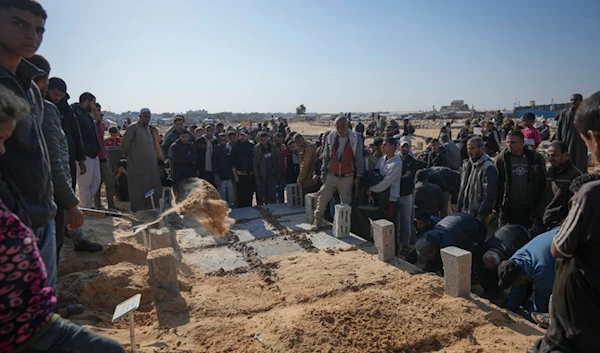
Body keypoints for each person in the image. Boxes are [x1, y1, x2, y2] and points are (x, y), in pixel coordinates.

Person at [530, 91, 600, 353]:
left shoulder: (589, 194)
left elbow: (559, 248)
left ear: (592, 139)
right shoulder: (550, 174)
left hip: (577, 326)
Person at [0, 1, 59, 295]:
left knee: (44, 305)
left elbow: (39, 153)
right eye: (19, 24)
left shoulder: (32, 89)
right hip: (10, 225)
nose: (32, 35)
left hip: (41, 214)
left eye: (39, 29)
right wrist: (14, 214)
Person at [312, 116, 364, 230]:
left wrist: (359, 175)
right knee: (322, 200)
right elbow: (326, 157)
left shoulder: (355, 138)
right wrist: (323, 171)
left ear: (348, 125)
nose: (340, 129)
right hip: (332, 175)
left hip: (347, 177)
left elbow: (359, 158)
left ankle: (344, 228)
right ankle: (317, 222)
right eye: (338, 126)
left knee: (346, 206)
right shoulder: (331, 138)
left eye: (343, 126)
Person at [497, 228, 558, 321]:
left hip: (573, 240)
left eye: (513, 283)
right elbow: (517, 288)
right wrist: (510, 311)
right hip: (553, 238)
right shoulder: (515, 261)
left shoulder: (543, 272)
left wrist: (527, 321)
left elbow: (540, 305)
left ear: (522, 277)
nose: (513, 286)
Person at [495, 130, 546, 228]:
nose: (510, 145)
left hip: (528, 208)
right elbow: (496, 183)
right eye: (508, 142)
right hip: (507, 207)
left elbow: (542, 183)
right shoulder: (501, 159)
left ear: (522, 143)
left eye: (513, 142)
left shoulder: (535, 159)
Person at [412, 213, 486, 274]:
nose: (428, 258)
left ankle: (473, 281)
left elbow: (450, 268)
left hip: (476, 230)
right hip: (457, 221)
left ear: (433, 249)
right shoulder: (427, 237)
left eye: (428, 256)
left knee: (469, 258)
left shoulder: (448, 245)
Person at [121, 108, 162, 212]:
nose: (147, 119)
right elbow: (125, 142)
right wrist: (129, 155)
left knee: (151, 184)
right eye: (145, 117)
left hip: (150, 164)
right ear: (140, 116)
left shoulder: (149, 129)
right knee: (138, 186)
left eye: (148, 117)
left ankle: (150, 206)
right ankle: (137, 209)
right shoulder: (133, 127)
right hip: (136, 163)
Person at [364, 137, 402, 245]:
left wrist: (371, 189)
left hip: (390, 199)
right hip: (380, 198)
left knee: (390, 227)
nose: (382, 147)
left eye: (385, 145)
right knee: (379, 224)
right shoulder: (383, 159)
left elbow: (385, 183)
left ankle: (393, 251)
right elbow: (375, 173)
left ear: (393, 147)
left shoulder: (396, 163)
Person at [50, 78, 86, 191]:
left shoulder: (67, 110)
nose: (57, 98)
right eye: (55, 94)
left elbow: (76, 133)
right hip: (50, 156)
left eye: (60, 95)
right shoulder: (42, 106)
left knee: (69, 187)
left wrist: (81, 158)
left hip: (68, 155)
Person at [477, 224, 532, 298]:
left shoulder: (513, 254)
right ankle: (492, 290)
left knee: (518, 276)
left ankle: (523, 299)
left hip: (522, 234)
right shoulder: (481, 251)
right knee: (484, 272)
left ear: (500, 262)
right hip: (506, 230)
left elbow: (518, 275)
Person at [538, 141, 582, 231]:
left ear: (565, 155)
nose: (550, 159)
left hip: (559, 226)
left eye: (554, 156)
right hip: (543, 222)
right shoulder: (548, 172)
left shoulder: (575, 176)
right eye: (549, 155)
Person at [457, 136, 498, 223]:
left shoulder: (488, 167)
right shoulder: (468, 164)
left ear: (481, 149)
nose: (469, 151)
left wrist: (481, 215)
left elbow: (489, 195)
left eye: (472, 148)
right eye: (468, 148)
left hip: (476, 214)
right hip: (465, 211)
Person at [72, 92, 100, 209]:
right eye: (93, 103)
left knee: (96, 181)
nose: (94, 106)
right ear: (87, 102)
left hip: (94, 153)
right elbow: (76, 135)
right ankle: (86, 207)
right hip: (84, 153)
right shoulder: (75, 113)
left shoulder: (88, 115)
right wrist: (83, 150)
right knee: (84, 183)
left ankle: (87, 204)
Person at [554, 93, 588, 173]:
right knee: (566, 160)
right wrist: (558, 142)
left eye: (576, 100)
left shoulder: (585, 113)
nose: (573, 102)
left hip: (580, 143)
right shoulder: (565, 113)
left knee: (580, 161)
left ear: (581, 101)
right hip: (566, 141)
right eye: (571, 100)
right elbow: (559, 127)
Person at [92, 103, 116, 210]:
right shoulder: (89, 124)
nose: (98, 112)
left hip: (103, 157)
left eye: (99, 110)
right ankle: (98, 205)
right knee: (96, 183)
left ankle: (111, 205)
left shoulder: (101, 125)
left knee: (109, 182)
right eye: (96, 110)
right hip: (93, 157)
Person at [397, 137, 418, 255]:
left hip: (406, 195)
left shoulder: (412, 161)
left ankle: (406, 245)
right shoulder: (396, 159)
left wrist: (394, 179)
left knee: (406, 221)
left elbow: (409, 176)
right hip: (395, 194)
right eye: (403, 146)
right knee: (397, 220)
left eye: (407, 146)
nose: (405, 148)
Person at [253, 131, 282, 205]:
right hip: (261, 175)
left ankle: (274, 211)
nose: (264, 142)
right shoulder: (256, 149)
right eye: (262, 140)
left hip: (272, 174)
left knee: (272, 195)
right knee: (261, 196)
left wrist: (278, 172)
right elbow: (255, 164)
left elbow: (277, 160)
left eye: (265, 140)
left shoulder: (272, 146)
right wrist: (257, 178)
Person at [169, 129, 197, 196]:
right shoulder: (175, 146)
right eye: (183, 137)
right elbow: (177, 159)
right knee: (180, 192)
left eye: (186, 137)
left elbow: (195, 157)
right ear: (180, 136)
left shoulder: (191, 146)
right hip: (179, 173)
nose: (185, 139)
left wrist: (185, 156)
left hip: (190, 172)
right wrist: (188, 157)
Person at [231, 129, 255, 207]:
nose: (242, 137)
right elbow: (233, 163)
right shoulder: (235, 147)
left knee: (249, 195)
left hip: (250, 175)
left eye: (244, 135)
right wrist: (235, 176)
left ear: (248, 136)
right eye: (241, 135)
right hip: (240, 176)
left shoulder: (251, 146)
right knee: (241, 197)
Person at [213, 132, 234, 207]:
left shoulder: (228, 149)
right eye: (221, 140)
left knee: (231, 196)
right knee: (222, 197)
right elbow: (214, 165)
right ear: (218, 140)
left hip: (228, 177)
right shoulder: (216, 150)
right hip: (220, 178)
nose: (223, 142)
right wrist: (216, 178)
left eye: (225, 140)